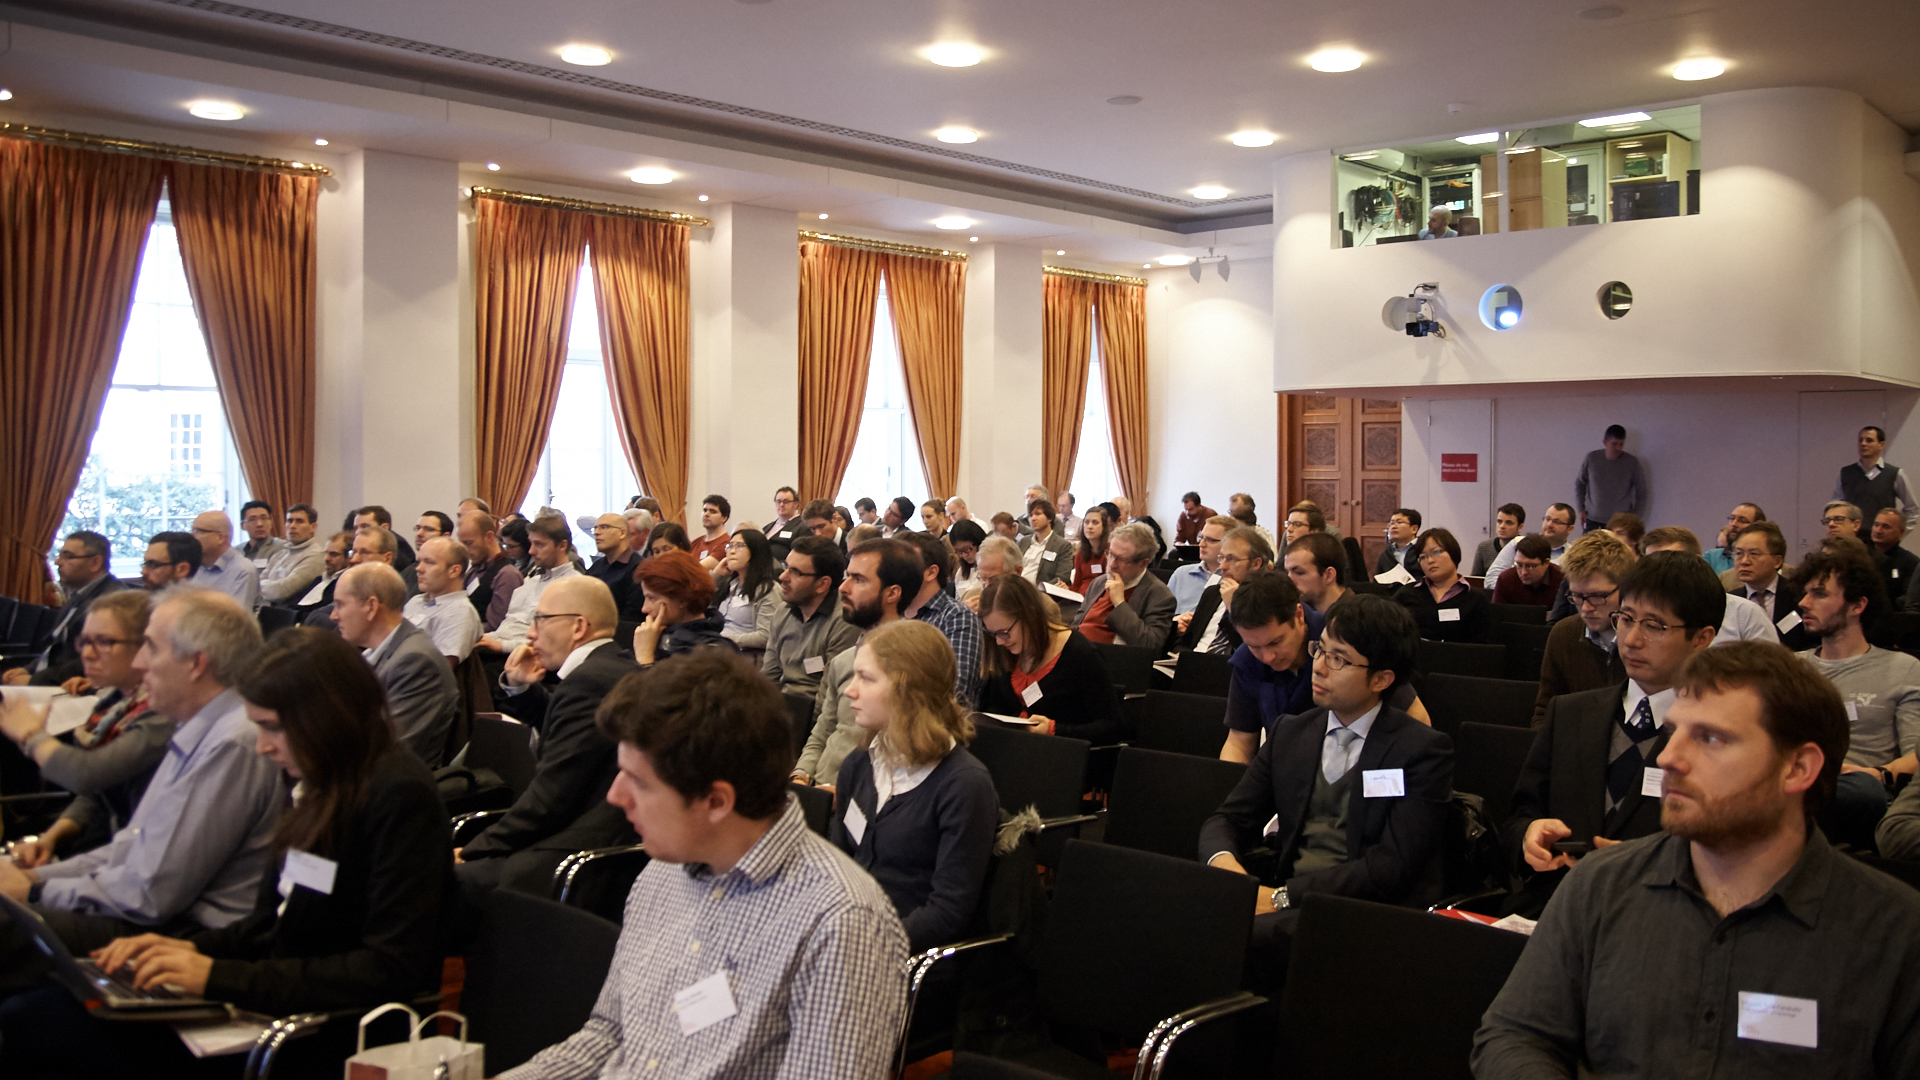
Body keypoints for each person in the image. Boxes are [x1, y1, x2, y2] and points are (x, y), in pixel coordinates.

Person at [0, 627, 455, 1077]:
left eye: (273, 728)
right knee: (41, 1010)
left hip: (326, 1029)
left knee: (44, 1024)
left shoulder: (397, 794)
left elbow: (389, 968)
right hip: (279, 997)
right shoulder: (320, 779)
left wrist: (213, 977)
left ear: (327, 717)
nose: (262, 746)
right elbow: (268, 924)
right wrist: (178, 953)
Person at [1474, 641, 1920, 1079]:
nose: (1668, 758)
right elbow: (1516, 1034)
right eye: (1673, 733)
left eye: (1709, 738)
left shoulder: (1894, 934)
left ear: (1798, 767)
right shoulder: (1600, 884)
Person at [508, 648, 908, 1080]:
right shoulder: (663, 872)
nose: (616, 797)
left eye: (639, 782)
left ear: (716, 801)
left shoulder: (842, 921)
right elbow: (611, 1035)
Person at [0, 590, 281, 988]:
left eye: (150, 647)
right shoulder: (195, 725)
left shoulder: (233, 741)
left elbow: (151, 894)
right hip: (146, 910)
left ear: (196, 663)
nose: (139, 663)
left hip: (184, 937)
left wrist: (37, 890)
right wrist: (34, 876)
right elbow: (132, 845)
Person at [1201, 594, 1452, 989]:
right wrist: (1227, 870)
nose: (1318, 666)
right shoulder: (1292, 732)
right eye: (1321, 650)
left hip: (1361, 910)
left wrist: (1282, 898)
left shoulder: (1421, 750)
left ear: (1381, 679)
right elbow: (1228, 819)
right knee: (1173, 908)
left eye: (1339, 659)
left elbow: (1390, 866)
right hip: (1282, 894)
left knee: (1227, 940)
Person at [1504, 551, 1724, 917]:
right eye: (1625, 619)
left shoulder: (1720, 736)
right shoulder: (1570, 713)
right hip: (1559, 910)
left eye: (1654, 626)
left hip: (1664, 919)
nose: (1632, 639)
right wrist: (1529, 835)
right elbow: (1519, 815)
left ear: (1702, 638)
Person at [459, 575, 640, 898]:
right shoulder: (612, 667)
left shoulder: (588, 682)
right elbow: (569, 731)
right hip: (595, 839)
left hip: (576, 852)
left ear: (578, 626)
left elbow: (549, 800)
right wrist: (521, 688)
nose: (530, 633)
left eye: (540, 620)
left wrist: (473, 849)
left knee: (432, 881)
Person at [828, 620, 997, 952]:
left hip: (906, 956)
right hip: (847, 939)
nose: (850, 689)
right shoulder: (859, 765)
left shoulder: (963, 786)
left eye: (866, 677)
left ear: (907, 691)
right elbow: (838, 866)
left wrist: (866, 946)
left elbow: (948, 911)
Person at [0, 591, 173, 866]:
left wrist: (31, 735)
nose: (87, 654)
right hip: (100, 846)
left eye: (103, 642)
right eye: (84, 642)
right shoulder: (113, 701)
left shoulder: (166, 710)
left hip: (133, 859)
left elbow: (88, 775)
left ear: (146, 646)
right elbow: (96, 796)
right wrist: (51, 837)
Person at [1792, 548, 1919, 849]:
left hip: (1860, 794)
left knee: (1861, 790)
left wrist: (1880, 774)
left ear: (1857, 605)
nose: (1803, 603)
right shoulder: (1791, 668)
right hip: (1795, 781)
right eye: (1806, 593)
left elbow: (1917, 755)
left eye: (1819, 594)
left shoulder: (1902, 669)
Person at [793, 539, 919, 789]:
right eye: (846, 576)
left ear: (892, 593)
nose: (843, 588)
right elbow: (824, 730)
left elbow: (908, 754)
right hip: (819, 786)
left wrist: (848, 794)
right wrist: (801, 774)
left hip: (866, 796)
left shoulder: (914, 663)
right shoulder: (843, 660)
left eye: (858, 579)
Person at [332, 563, 459, 766]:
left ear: (371, 607)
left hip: (390, 790)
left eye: (340, 604)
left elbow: (388, 752)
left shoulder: (416, 662)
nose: (334, 615)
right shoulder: (379, 652)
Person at [976, 575, 1125, 744]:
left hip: (1060, 758)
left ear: (1029, 616)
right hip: (1010, 752)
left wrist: (1054, 730)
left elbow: (1111, 727)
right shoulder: (1004, 651)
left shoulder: (1079, 654)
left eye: (1004, 632)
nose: (999, 641)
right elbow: (994, 706)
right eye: (993, 633)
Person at [1533, 530, 1634, 725]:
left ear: (1626, 589)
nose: (1586, 608)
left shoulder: (1643, 639)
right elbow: (1545, 712)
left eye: (1598, 596)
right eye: (1577, 597)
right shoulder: (1563, 634)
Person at [2, 530, 123, 687]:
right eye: (59, 555)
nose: (58, 561)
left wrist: (34, 680)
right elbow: (53, 649)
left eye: (68, 556)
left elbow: (89, 660)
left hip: (72, 687)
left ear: (95, 563)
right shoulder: (76, 596)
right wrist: (26, 670)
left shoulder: (111, 601)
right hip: (48, 679)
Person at [1640, 527, 1780, 646]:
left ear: (1696, 562)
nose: (1658, 572)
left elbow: (1773, 673)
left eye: (1669, 561)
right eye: (1650, 564)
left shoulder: (1744, 614)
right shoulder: (1641, 618)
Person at [761, 535, 859, 701]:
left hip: (813, 709)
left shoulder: (844, 620)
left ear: (822, 584)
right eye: (786, 566)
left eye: (796, 572)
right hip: (781, 706)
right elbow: (770, 675)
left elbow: (830, 691)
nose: (783, 577)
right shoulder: (783, 611)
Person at [898, 532, 984, 709]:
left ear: (931, 572)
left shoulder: (956, 617)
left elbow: (957, 691)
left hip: (937, 727)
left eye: (903, 565)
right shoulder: (892, 614)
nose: (893, 573)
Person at [479, 514, 580, 653]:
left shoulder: (574, 586)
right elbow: (507, 627)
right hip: (500, 648)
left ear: (562, 545)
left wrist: (501, 646)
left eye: (539, 544)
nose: (531, 551)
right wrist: (481, 638)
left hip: (526, 657)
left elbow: (554, 642)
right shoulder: (530, 582)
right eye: (531, 543)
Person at [1070, 522, 1176, 652]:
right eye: (1110, 554)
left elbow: (1150, 645)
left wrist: (1119, 603)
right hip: (1078, 653)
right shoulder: (1099, 582)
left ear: (1143, 564)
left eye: (1121, 559)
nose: (1112, 564)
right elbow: (1077, 624)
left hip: (1112, 662)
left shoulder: (1160, 595)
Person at [1175, 525, 1273, 656]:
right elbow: (1186, 642)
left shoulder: (1266, 600)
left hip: (1227, 670)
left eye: (1231, 559)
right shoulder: (1213, 593)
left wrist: (1235, 607)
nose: (1222, 566)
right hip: (1191, 664)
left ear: (1255, 564)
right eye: (1221, 558)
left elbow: (1252, 652)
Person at [632, 550, 735, 664]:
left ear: (682, 599)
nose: (644, 608)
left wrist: (645, 659)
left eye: (651, 598)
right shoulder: (656, 635)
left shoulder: (713, 652)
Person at [1396, 527, 1494, 643]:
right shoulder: (1407, 593)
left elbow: (1483, 647)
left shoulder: (1475, 599)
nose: (1430, 560)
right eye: (1423, 557)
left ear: (1453, 553)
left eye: (1436, 552)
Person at [1728, 522, 1811, 649]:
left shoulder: (1800, 595)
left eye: (1754, 554)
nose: (1744, 561)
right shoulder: (1729, 601)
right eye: (1739, 553)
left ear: (1777, 561)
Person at [402, 535, 483, 661]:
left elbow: (439, 670)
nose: (418, 568)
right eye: (419, 562)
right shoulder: (415, 601)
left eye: (429, 562)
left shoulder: (459, 612)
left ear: (454, 571)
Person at [712, 528, 781, 666]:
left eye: (740, 546)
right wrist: (716, 575)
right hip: (720, 651)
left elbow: (765, 636)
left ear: (756, 551)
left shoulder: (768, 589)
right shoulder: (729, 584)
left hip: (746, 659)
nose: (731, 551)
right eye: (730, 546)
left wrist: (724, 639)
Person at [1836, 423, 1919, 529]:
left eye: (1869, 440)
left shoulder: (1894, 474)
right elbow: (1836, 508)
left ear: (1881, 445)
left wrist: (1899, 533)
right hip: (1853, 540)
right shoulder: (1846, 473)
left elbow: (1912, 508)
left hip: (1883, 541)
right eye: (1860, 440)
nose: (1863, 444)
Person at [1572, 424, 1647, 531]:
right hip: (1593, 519)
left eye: (1621, 444)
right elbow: (1580, 483)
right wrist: (1581, 509)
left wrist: (1635, 517)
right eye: (1614, 444)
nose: (1618, 448)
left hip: (1620, 522)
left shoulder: (1632, 463)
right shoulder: (1592, 458)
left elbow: (1642, 492)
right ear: (1605, 442)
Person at [457, 511, 522, 633]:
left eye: (469, 543)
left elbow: (497, 626)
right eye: (462, 544)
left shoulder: (507, 575)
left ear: (489, 537)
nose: (465, 550)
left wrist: (459, 631)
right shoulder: (473, 571)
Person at [258, 503, 326, 607]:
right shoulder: (279, 555)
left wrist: (260, 586)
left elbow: (282, 591)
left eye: (299, 521)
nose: (293, 526)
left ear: (313, 527)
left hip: (288, 617)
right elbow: (256, 582)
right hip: (266, 610)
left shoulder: (316, 556)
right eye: (289, 521)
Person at [190, 510, 260, 609]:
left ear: (220, 537)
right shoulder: (197, 565)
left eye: (199, 531)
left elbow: (236, 619)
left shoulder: (243, 571)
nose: (192, 536)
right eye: (192, 530)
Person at [1486, 503, 1575, 580]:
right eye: (1547, 519)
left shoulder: (1573, 556)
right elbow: (1493, 575)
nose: (1549, 524)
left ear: (1570, 529)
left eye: (1557, 522)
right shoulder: (1518, 543)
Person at [1169, 514, 1232, 615]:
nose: (1201, 544)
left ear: (1229, 544)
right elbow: (1161, 613)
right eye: (1201, 538)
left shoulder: (1235, 580)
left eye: (1210, 540)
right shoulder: (1182, 574)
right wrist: (1175, 622)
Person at [585, 512, 643, 620]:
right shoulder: (596, 567)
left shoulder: (638, 568)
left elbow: (632, 617)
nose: (597, 532)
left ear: (622, 533)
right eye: (595, 528)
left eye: (604, 527)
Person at [1284, 532, 1349, 615]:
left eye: (1299, 572)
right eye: (1287, 572)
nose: (1289, 580)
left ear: (1329, 575)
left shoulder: (1357, 620)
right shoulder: (1301, 613)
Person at [294, 531, 353, 622]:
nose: (327, 558)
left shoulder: (343, 585)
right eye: (326, 553)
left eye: (333, 554)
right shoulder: (318, 580)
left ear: (349, 558)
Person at [1492, 533, 1564, 607]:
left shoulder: (1562, 579)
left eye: (1531, 566)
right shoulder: (1506, 579)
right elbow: (1497, 615)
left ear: (1546, 563)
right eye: (1519, 565)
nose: (1523, 572)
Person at [1018, 499, 1075, 588]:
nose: (1033, 518)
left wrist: (1040, 590)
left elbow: (1062, 577)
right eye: (1030, 515)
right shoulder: (1024, 541)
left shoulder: (1062, 545)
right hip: (1018, 590)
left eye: (1038, 514)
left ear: (1049, 518)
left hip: (1042, 594)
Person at [1869, 507, 1920, 604]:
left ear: (1901, 532)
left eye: (1886, 527)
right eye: (1876, 525)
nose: (1878, 530)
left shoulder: (1910, 562)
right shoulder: (1860, 555)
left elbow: (1910, 596)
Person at [964, 535, 1022, 613]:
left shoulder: (1036, 603)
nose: (987, 586)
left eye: (995, 579)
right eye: (983, 578)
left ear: (1017, 572)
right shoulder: (971, 598)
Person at [1704, 502, 1765, 575]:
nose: (1734, 524)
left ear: (1758, 527)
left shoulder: (1764, 560)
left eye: (1742, 520)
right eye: (1732, 518)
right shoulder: (1711, 557)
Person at [1469, 504, 1526, 579]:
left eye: (1508, 523)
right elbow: (1476, 580)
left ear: (1520, 527)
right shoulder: (1484, 547)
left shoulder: (1525, 548)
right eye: (1499, 521)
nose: (1502, 526)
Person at [351, 506, 416, 571]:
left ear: (385, 528)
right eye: (355, 528)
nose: (357, 532)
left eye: (365, 526)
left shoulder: (400, 549)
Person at [1070, 504, 1111, 595]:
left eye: (1095, 522)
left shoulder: (1110, 552)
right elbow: (1076, 585)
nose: (1090, 526)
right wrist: (1065, 589)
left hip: (1099, 598)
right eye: (1086, 522)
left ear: (1104, 527)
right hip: (1080, 599)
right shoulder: (1080, 554)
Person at [949, 519, 989, 609]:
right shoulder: (961, 572)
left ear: (979, 542)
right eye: (958, 551)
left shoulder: (990, 568)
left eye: (967, 549)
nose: (963, 555)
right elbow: (957, 601)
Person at [237, 499, 287, 567]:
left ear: (271, 522)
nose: (259, 524)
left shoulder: (283, 548)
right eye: (252, 519)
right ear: (243, 526)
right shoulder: (236, 552)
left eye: (264, 518)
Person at [765, 485, 809, 560]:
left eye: (786, 501)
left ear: (795, 504)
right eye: (778, 501)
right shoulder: (767, 527)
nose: (781, 505)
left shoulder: (802, 526)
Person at [1375, 508, 1421, 578]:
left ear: (1414, 529)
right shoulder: (1386, 554)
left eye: (1399, 522)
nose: (1393, 526)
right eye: (1392, 523)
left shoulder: (1422, 550)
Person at [691, 494, 732, 565]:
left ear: (724, 518)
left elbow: (698, 569)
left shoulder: (726, 544)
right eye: (705, 510)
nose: (706, 514)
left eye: (713, 512)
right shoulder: (695, 542)